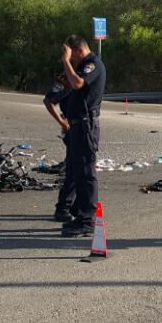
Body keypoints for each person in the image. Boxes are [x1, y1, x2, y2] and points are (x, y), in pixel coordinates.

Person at [58, 35, 106, 237]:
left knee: (86, 172)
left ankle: (88, 221)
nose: (71, 60)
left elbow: (78, 84)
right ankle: (81, 216)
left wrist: (66, 61)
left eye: (71, 55)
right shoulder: (82, 65)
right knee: (77, 171)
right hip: (76, 125)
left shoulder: (93, 64)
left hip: (86, 126)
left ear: (78, 50)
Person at [43, 72, 76, 222]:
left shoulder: (81, 76)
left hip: (81, 127)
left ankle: (73, 205)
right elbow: (48, 100)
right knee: (75, 169)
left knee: (80, 169)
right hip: (72, 129)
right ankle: (64, 207)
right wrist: (63, 122)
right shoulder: (67, 79)